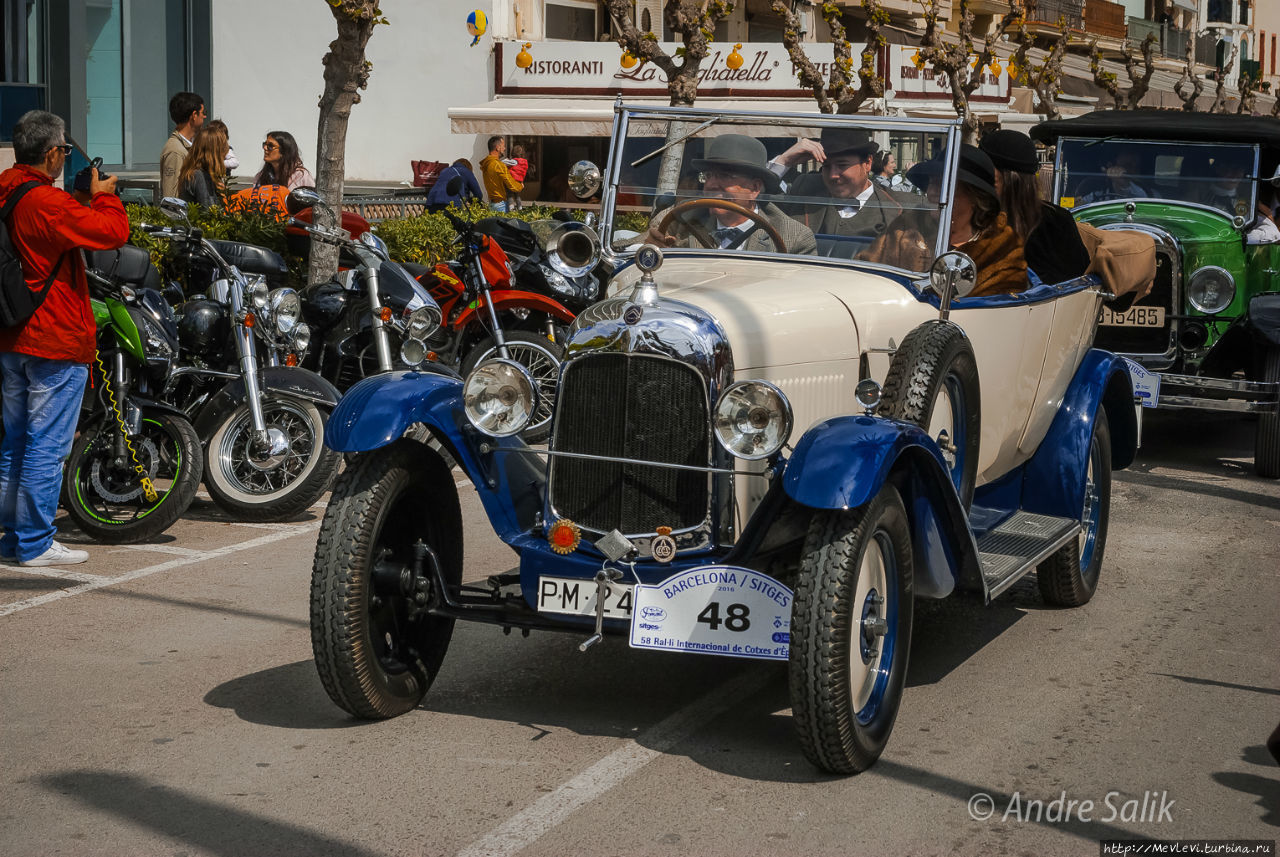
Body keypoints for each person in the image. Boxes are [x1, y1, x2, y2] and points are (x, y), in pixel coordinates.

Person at [0, 110, 130, 567]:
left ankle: (12, 539)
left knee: (15, 442)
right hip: (52, 336)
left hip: (12, 334)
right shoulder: (46, 203)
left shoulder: (8, 188)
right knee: (46, 446)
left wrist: (81, 195)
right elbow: (111, 233)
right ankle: (35, 543)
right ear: (53, 152)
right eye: (64, 151)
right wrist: (105, 198)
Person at [863, 145, 1027, 296]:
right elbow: (867, 279)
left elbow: (1001, 309)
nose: (932, 194)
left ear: (975, 197)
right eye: (932, 184)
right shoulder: (905, 228)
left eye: (944, 186)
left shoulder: (1001, 246)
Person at [645, 134, 816, 255]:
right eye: (708, 175)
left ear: (755, 189)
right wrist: (650, 248)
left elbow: (800, 295)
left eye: (725, 176)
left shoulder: (794, 237)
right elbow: (627, 247)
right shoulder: (685, 218)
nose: (711, 185)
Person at [980, 129, 1090, 284]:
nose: (979, 181)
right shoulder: (977, 214)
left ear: (1010, 180)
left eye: (988, 175)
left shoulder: (1054, 222)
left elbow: (1071, 283)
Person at [772, 127, 907, 241]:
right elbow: (757, 208)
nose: (833, 175)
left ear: (867, 163)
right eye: (826, 166)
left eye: (842, 165)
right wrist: (784, 161)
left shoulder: (899, 207)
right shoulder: (805, 188)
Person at [160, 91, 206, 199]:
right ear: (194, 115)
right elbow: (170, 198)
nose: (204, 116)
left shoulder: (189, 146)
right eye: (203, 112)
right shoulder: (175, 151)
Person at [177, 123, 229, 208]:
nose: (225, 154)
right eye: (222, 149)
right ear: (214, 152)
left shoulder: (201, 173)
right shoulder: (198, 175)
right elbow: (209, 211)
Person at [1078, 147, 1151, 203]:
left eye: (1136, 167)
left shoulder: (1152, 194)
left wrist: (1126, 186)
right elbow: (1080, 204)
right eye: (1127, 166)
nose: (1131, 171)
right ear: (1110, 166)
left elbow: (1145, 202)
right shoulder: (1099, 195)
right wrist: (1078, 203)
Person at [480, 136, 523, 212]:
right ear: (498, 147)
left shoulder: (486, 163)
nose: (505, 148)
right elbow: (511, 185)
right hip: (500, 204)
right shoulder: (498, 165)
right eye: (503, 146)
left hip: (492, 203)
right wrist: (520, 186)